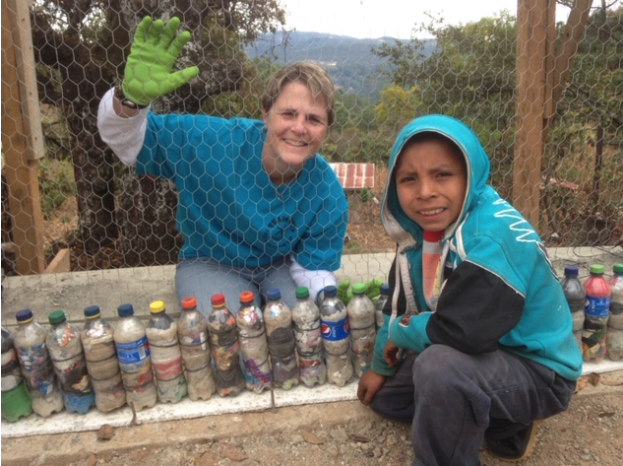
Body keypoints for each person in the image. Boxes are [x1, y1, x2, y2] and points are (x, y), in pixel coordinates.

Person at [357, 114, 582, 466]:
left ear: (469, 176)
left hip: (537, 371)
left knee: (437, 369)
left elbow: (463, 333)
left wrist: (402, 335)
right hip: (482, 353)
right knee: (387, 397)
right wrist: (378, 367)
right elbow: (400, 305)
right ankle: (496, 420)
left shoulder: (491, 237)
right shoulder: (420, 235)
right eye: (409, 179)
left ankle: (510, 421)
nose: (425, 191)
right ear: (393, 187)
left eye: (442, 174)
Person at [98, 16, 348, 315]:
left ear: (327, 129)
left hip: (281, 265)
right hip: (210, 263)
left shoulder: (326, 191)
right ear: (265, 113)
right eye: (288, 114)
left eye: (314, 119)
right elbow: (130, 144)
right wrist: (130, 100)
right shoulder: (213, 142)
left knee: (306, 326)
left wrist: (328, 304)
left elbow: (313, 267)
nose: (299, 128)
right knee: (230, 334)